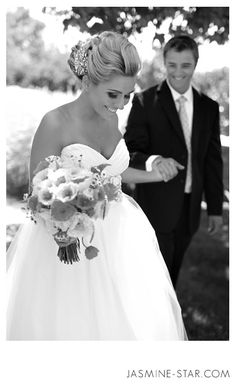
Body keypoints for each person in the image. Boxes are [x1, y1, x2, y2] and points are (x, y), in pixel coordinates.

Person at [7, 31, 187, 340]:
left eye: (127, 96)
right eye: (113, 94)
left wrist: (154, 174)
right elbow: (35, 193)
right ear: (89, 81)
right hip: (68, 244)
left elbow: (111, 175)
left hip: (120, 240)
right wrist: (63, 229)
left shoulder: (111, 120)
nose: (120, 104)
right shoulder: (55, 123)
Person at [124, 35, 224, 288]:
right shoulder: (145, 101)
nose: (178, 72)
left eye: (185, 65)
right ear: (164, 63)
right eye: (172, 65)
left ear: (196, 64)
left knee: (173, 275)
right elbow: (130, 150)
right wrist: (154, 160)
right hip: (156, 204)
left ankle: (167, 324)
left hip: (191, 207)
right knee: (155, 277)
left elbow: (212, 162)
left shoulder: (209, 108)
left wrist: (214, 208)